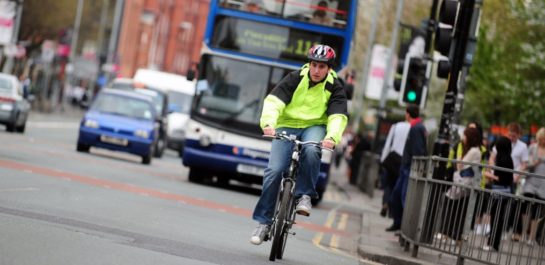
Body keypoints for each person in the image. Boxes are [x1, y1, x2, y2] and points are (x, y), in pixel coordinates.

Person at [249, 44, 348, 245]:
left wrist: (331, 137)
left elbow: (338, 116)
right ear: (309, 64)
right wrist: (268, 123)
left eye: (322, 67)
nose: (317, 70)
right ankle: (264, 223)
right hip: (287, 124)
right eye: (314, 65)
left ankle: (304, 196)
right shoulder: (295, 78)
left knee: (312, 150)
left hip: (314, 126)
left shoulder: (335, 86)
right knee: (274, 171)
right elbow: (274, 102)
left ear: (329, 68)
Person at [387, 104, 427, 232]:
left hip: (409, 168)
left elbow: (418, 151)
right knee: (396, 195)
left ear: (408, 114)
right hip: (406, 168)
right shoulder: (417, 126)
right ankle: (398, 223)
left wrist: (413, 167)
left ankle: (406, 229)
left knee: (405, 198)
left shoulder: (417, 128)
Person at [439, 127, 482, 244]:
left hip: (464, 184)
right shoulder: (473, 150)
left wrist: (458, 158)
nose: (463, 138)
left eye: (464, 136)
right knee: (458, 210)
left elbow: (460, 165)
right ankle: (452, 236)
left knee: (454, 208)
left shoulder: (474, 151)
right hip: (464, 183)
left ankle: (451, 235)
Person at [514, 127, 545, 244]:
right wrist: (536, 162)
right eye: (542, 139)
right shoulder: (533, 147)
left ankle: (531, 238)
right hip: (531, 183)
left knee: (537, 212)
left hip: (543, 186)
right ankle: (523, 234)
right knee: (526, 209)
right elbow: (527, 164)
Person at [483, 136, 514, 251]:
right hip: (499, 191)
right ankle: (492, 242)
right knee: (495, 217)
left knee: (497, 218)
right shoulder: (504, 158)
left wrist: (490, 175)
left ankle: (493, 244)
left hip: (501, 192)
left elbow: (503, 179)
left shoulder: (505, 160)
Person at [379, 120, 410, 217]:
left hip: (392, 158)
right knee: (399, 186)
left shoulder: (396, 126)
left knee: (389, 184)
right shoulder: (411, 128)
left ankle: (385, 203)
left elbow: (388, 144)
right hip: (403, 159)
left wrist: (383, 160)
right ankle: (392, 210)